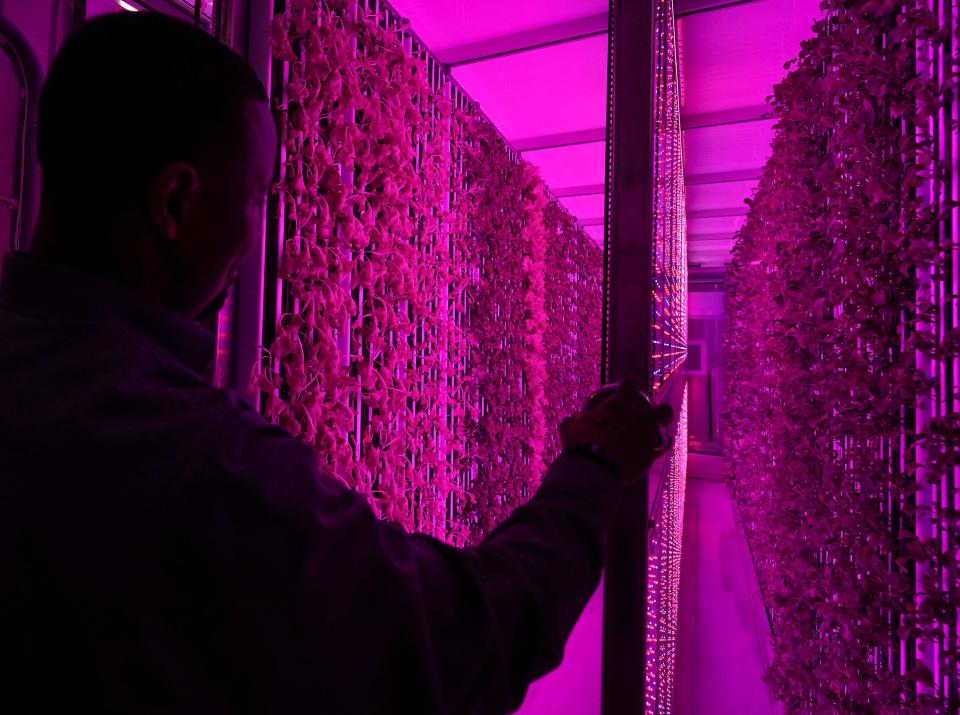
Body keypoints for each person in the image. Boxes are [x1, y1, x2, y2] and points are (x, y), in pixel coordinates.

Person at [0, 12, 674, 715]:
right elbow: (457, 645)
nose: (256, 233)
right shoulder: (194, 461)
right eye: (256, 198)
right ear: (176, 201)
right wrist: (593, 468)